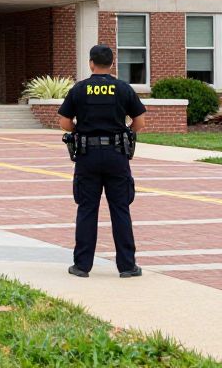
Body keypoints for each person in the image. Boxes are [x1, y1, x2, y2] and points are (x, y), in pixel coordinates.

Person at [57, 44, 146, 279]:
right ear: (112, 63)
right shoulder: (122, 88)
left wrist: (81, 131)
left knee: (87, 209)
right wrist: (124, 131)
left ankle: (82, 266)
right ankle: (127, 266)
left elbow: (65, 122)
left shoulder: (80, 89)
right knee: (120, 209)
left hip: (87, 156)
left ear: (91, 63)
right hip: (117, 156)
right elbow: (140, 122)